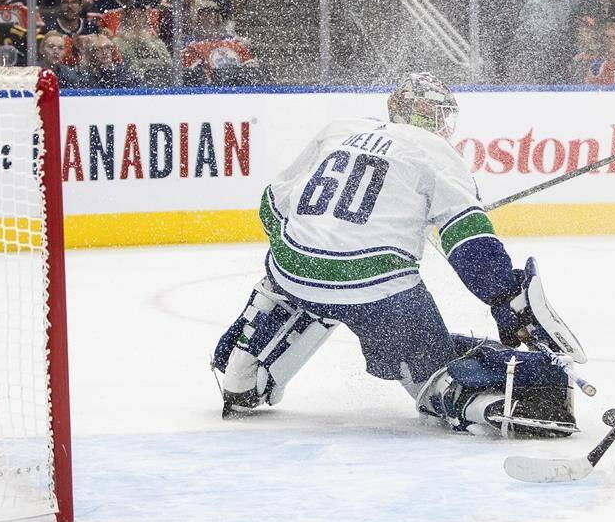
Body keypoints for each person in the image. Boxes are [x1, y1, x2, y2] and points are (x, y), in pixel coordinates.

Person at [209, 73, 585, 437]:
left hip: (295, 267)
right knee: (432, 377)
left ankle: (244, 371)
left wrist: (298, 259)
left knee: (289, 279)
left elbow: (271, 206)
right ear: (433, 116)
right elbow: (471, 247)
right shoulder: (438, 152)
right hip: (379, 291)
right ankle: (478, 401)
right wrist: (503, 297)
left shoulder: (341, 129)